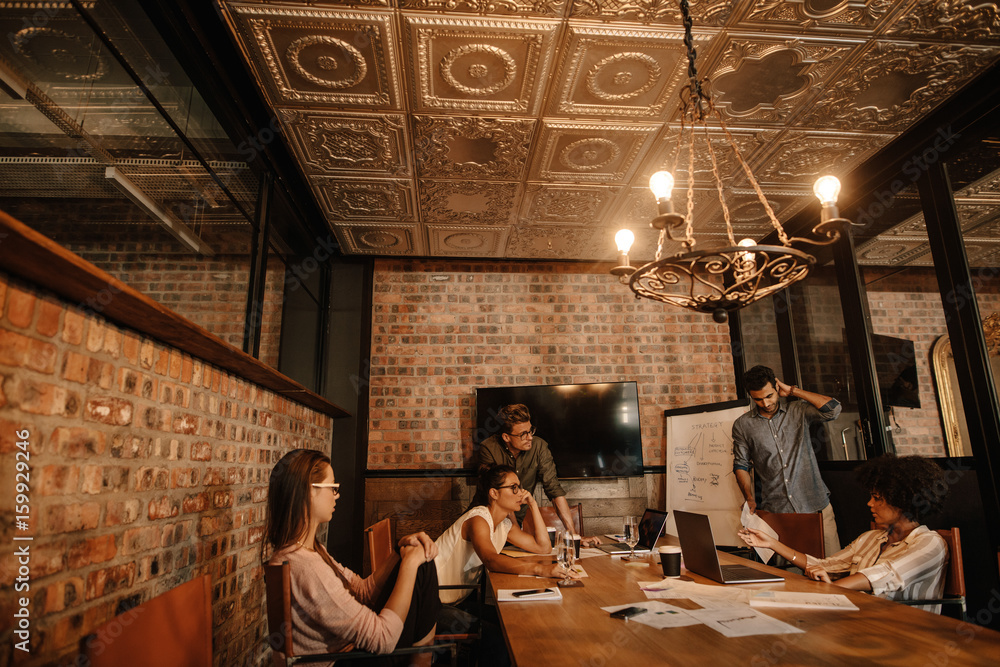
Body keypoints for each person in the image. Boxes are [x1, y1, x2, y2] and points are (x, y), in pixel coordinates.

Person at [263, 449, 441, 663]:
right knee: (420, 566)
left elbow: (362, 591)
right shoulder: (306, 566)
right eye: (333, 488)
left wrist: (399, 552)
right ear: (309, 491)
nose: (337, 495)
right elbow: (384, 639)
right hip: (340, 660)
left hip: (347, 654)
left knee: (421, 565)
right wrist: (410, 563)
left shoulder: (303, 551)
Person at [738, 454, 950, 612]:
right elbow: (824, 566)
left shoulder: (931, 543)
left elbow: (887, 574)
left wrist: (833, 591)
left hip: (906, 633)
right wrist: (772, 544)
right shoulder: (871, 538)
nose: (870, 503)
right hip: (863, 622)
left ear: (902, 500)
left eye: (878, 498)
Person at [434, 465, 579, 666]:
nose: (521, 493)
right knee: (497, 636)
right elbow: (491, 560)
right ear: (494, 493)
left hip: (455, 599)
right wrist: (541, 569)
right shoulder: (478, 518)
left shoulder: (503, 525)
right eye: (514, 488)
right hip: (431, 602)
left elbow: (543, 547)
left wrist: (534, 506)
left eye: (520, 487)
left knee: (514, 624)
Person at [732, 365, 842, 556]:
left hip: (815, 505)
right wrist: (749, 497)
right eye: (758, 399)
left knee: (833, 566)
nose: (765, 403)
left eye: (769, 396)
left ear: (777, 387)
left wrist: (793, 391)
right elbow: (741, 464)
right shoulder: (743, 425)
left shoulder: (798, 411)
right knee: (792, 575)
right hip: (777, 511)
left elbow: (833, 410)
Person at [476, 404, 602, 545]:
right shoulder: (489, 448)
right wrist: (516, 533)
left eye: (530, 431)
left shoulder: (539, 446)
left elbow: (553, 489)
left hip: (514, 524)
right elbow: (500, 496)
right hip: (487, 522)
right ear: (506, 437)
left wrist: (573, 536)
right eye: (523, 434)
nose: (530, 437)